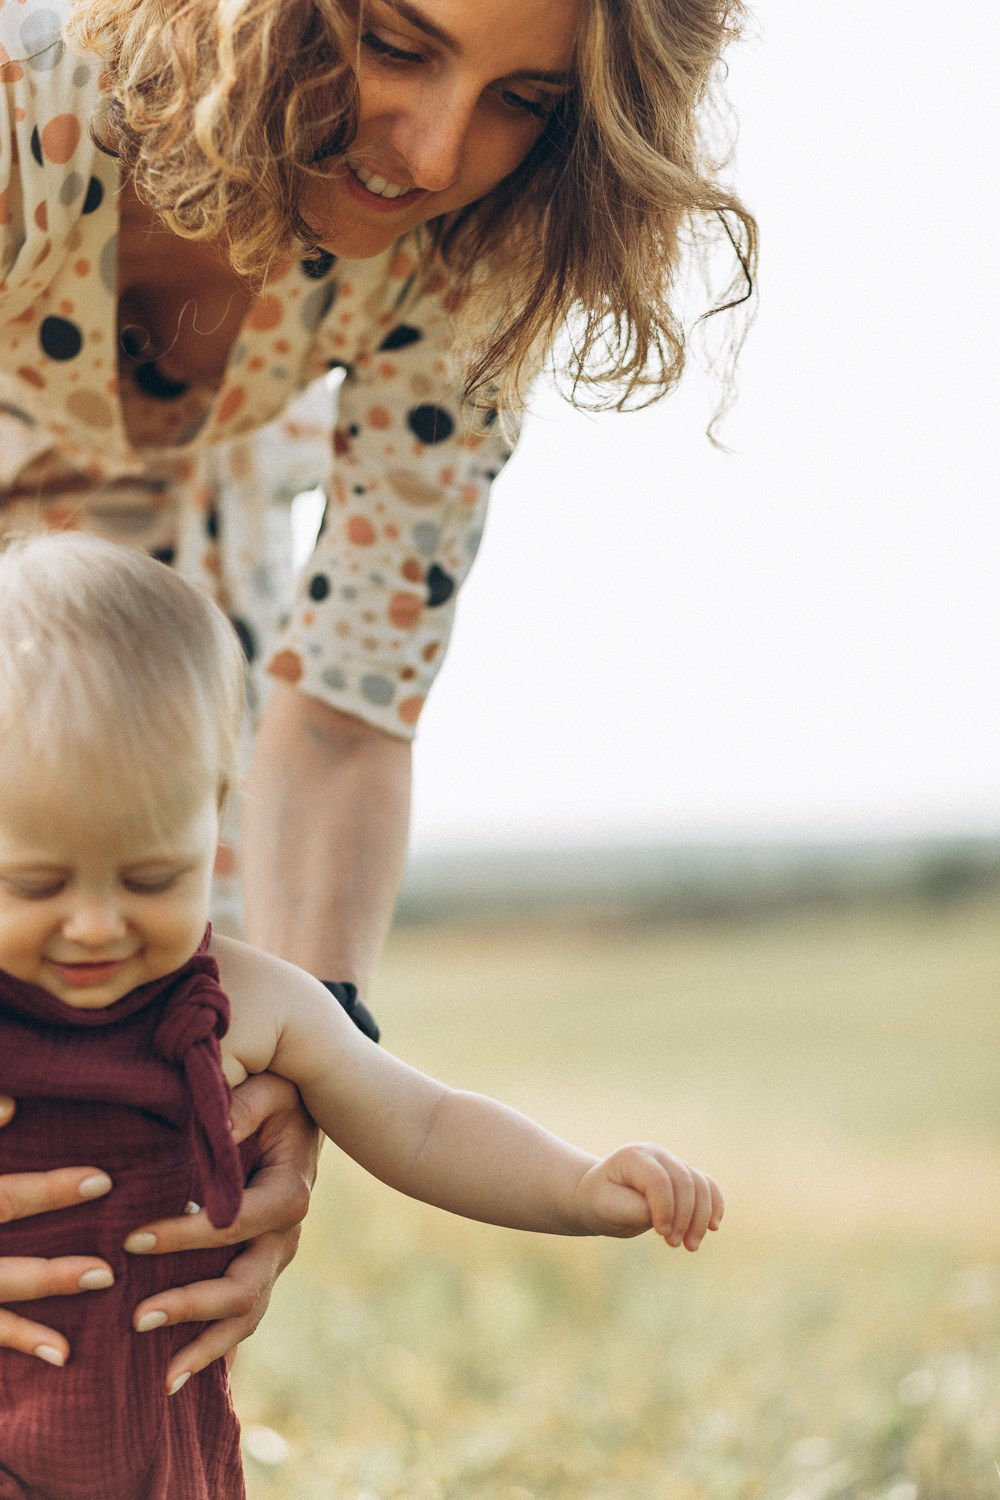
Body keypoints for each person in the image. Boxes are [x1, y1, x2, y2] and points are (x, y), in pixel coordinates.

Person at [0, 0, 756, 1383]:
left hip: (166, 571)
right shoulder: (20, 107)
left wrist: (308, 1049)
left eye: (525, 101)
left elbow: (349, 707)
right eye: (399, 46)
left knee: (148, 1141)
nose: (433, 150)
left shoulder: (476, 250)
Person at [0, 531, 724, 1498]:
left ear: (216, 818)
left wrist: (580, 1184)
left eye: (151, 875)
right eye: (34, 883)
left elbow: (421, 1123)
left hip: (157, 1457)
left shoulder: (246, 1001)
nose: (95, 923)